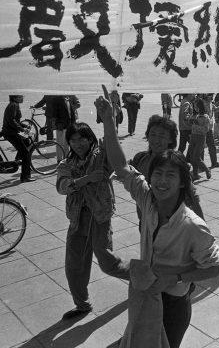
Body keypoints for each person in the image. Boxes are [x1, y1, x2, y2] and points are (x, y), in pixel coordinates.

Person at [95, 92, 219, 348]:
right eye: (157, 175)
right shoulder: (147, 200)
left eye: (170, 176)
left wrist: (176, 278)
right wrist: (109, 121)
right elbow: (120, 166)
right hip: (145, 293)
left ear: (182, 182)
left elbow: (214, 268)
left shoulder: (193, 225)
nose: (162, 181)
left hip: (174, 303)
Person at [56, 122, 129, 320]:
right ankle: (82, 304)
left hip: (99, 216)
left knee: (106, 260)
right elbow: (61, 186)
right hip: (77, 218)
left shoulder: (100, 157)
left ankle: (141, 277)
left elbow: (115, 155)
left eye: (82, 138)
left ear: (90, 139)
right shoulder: (66, 164)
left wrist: (109, 121)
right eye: (73, 139)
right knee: (74, 264)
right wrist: (85, 179)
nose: (78, 143)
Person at [130, 115, 204, 221]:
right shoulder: (140, 159)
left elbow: (191, 195)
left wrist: (203, 225)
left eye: (161, 136)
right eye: (153, 134)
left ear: (170, 139)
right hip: (146, 221)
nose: (156, 140)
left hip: (172, 222)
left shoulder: (176, 163)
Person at [2, 94, 33, 182]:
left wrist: (24, 126)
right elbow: (11, 120)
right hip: (10, 133)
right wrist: (22, 129)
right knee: (26, 154)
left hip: (10, 131)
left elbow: (16, 121)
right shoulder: (13, 105)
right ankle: (25, 177)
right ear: (15, 98)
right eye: (21, 96)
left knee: (26, 142)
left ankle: (17, 161)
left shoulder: (14, 104)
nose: (23, 98)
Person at [188, 99, 212, 181]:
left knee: (196, 157)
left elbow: (206, 130)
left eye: (196, 106)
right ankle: (195, 174)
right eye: (194, 106)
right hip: (193, 137)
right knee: (192, 156)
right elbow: (191, 124)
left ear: (200, 107)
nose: (195, 108)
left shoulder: (206, 117)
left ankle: (207, 170)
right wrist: (190, 121)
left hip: (201, 138)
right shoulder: (196, 116)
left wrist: (196, 124)